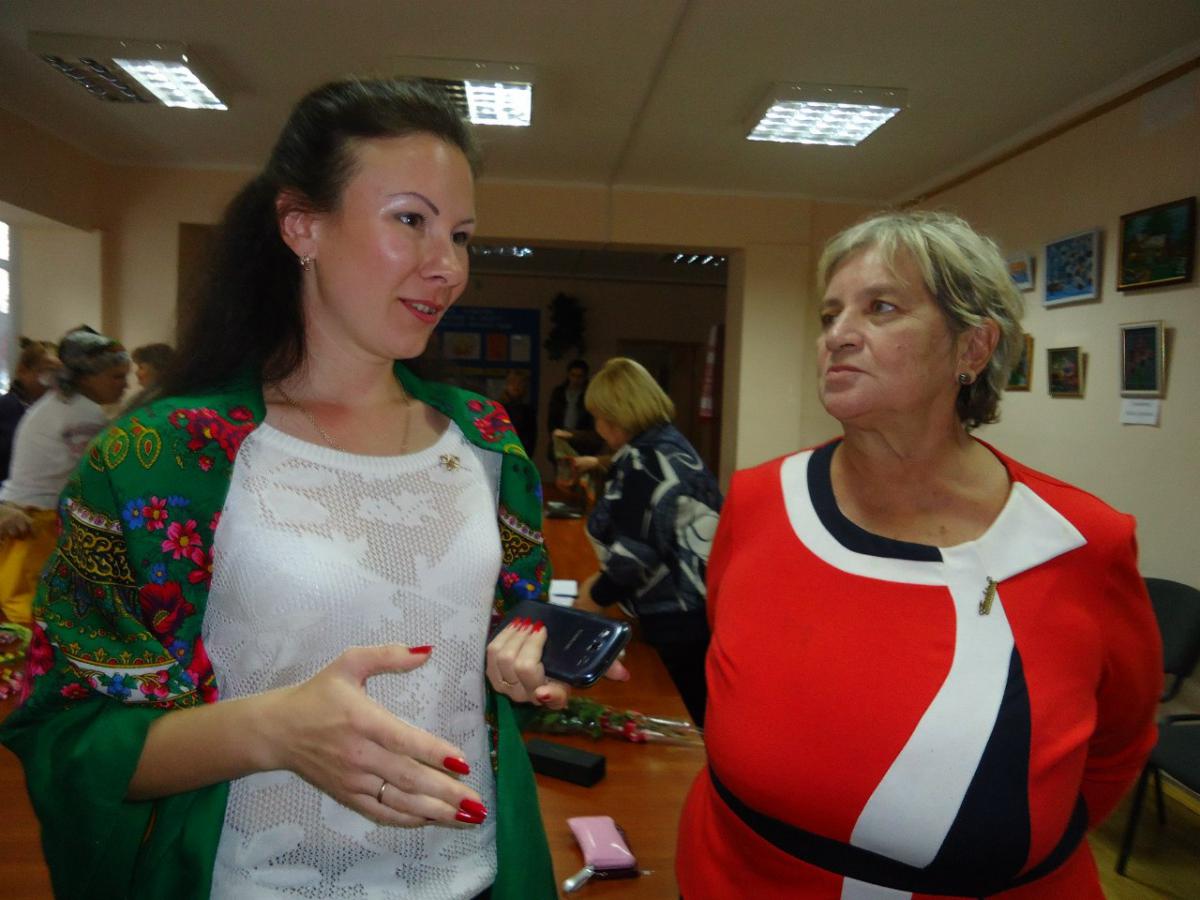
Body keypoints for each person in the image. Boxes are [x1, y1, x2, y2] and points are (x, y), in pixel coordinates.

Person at [0, 79, 598, 900]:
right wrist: (269, 729)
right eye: (411, 220)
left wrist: (522, 664)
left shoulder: (487, 443)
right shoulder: (162, 458)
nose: (448, 267)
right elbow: (67, 726)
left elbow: (502, 636)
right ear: (301, 226)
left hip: (473, 874)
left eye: (461, 235)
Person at [676, 211, 1162, 898]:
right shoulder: (760, 500)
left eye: (881, 308)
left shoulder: (1076, 540)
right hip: (732, 877)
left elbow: (1118, 745)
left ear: (973, 347)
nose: (839, 335)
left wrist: (988, 847)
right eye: (831, 315)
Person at [579, 357, 721, 727]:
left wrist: (595, 596)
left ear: (616, 415)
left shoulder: (646, 459)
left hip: (676, 618)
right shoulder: (668, 445)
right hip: (695, 611)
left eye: (598, 416)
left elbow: (638, 551)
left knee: (677, 719)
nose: (597, 426)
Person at [0, 328, 128, 624]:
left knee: (24, 608)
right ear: (88, 377)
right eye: (117, 377)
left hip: (25, 513)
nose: (125, 384)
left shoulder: (59, 402)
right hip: (38, 521)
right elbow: (95, 476)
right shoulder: (83, 412)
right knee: (35, 613)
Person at [0, 340, 60, 481]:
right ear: (23, 371)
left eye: (58, 375)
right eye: (47, 371)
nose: (52, 381)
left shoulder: (57, 413)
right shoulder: (4, 409)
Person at [546, 358, 599, 460]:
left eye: (579, 376)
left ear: (585, 377)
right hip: (560, 435)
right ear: (568, 375)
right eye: (573, 375)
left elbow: (590, 421)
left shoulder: (589, 394)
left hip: (580, 439)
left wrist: (578, 435)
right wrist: (554, 433)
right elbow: (552, 417)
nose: (576, 380)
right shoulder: (559, 393)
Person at [123, 341, 178, 410]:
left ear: (158, 370)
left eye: (141, 367)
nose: (136, 372)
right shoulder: (141, 398)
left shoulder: (167, 401)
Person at [497, 368, 536, 456]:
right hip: (500, 453)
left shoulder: (528, 412)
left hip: (520, 455)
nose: (516, 386)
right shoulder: (497, 407)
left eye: (520, 383)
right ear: (506, 385)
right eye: (513, 382)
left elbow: (531, 440)